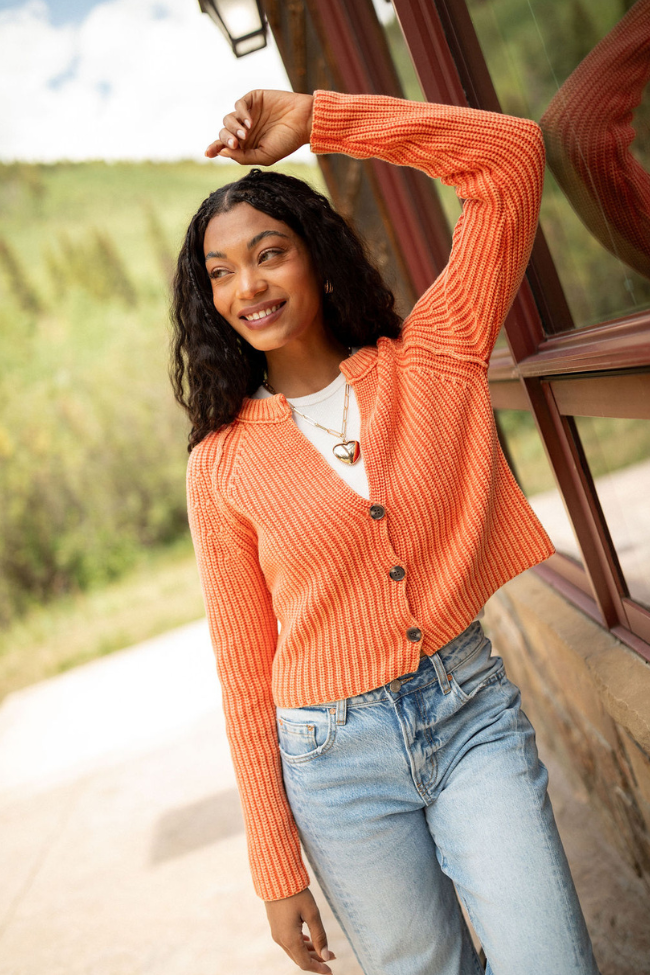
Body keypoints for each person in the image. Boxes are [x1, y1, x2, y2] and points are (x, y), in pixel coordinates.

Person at [171, 88, 601, 975]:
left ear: (317, 260)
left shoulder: (432, 357)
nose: (246, 285)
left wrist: (320, 121)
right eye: (220, 272)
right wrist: (274, 868)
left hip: (468, 708)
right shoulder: (219, 465)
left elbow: (510, 158)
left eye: (268, 254)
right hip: (333, 764)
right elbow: (245, 671)